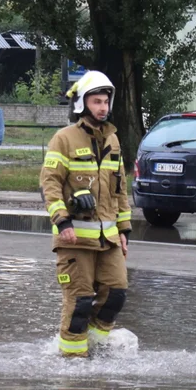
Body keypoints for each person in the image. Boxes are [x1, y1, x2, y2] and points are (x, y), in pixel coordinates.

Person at [40, 70, 131, 358]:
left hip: (109, 238)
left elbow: (120, 188)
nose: (103, 107)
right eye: (96, 102)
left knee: (116, 294)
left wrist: (125, 229)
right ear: (82, 104)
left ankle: (92, 347)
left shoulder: (113, 140)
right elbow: (49, 182)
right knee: (80, 301)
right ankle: (72, 363)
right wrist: (62, 219)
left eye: (105, 101)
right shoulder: (64, 139)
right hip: (74, 237)